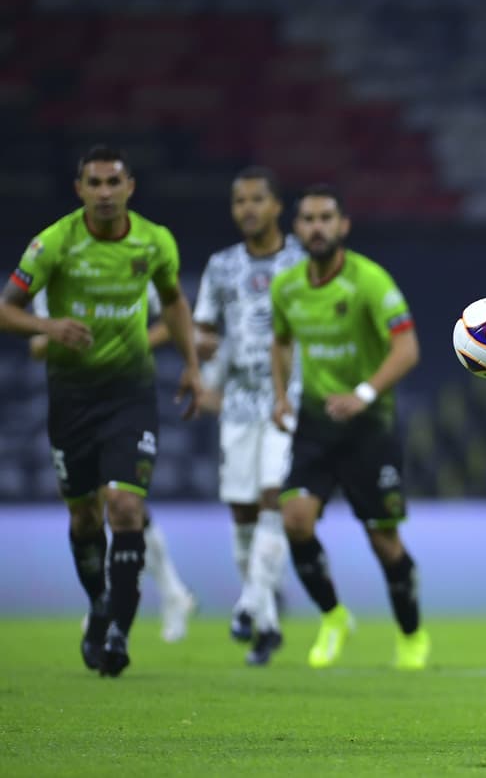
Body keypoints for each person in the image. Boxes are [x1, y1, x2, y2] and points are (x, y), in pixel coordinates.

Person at [0, 144, 203, 677]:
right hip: (71, 398)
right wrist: (48, 326)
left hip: (130, 394)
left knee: (125, 507)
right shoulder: (53, 244)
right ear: (80, 190)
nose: (106, 193)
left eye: (114, 182)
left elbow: (173, 302)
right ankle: (98, 604)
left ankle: (118, 631)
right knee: (85, 516)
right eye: (95, 183)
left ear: (130, 187)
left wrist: (191, 366)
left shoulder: (154, 241)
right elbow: (5, 311)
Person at [269, 184, 429, 670]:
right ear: (296, 228)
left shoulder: (370, 281)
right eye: (308, 219)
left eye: (326, 218)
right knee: (295, 520)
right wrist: (281, 395)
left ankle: (410, 634)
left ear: (343, 226)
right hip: (316, 424)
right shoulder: (286, 287)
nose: (317, 227)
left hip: (369, 427)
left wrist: (363, 395)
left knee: (384, 542)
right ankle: (334, 616)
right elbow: (281, 342)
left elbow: (407, 349)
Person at [30, 283, 198, 643]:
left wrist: (129, 345)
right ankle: (169, 592)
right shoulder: (56, 275)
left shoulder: (131, 265)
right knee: (95, 509)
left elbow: (173, 320)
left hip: (125, 400)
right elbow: (36, 346)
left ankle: (121, 606)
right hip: (76, 405)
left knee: (122, 500)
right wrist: (57, 336)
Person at [192, 166, 306, 666]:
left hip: (291, 397)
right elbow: (203, 329)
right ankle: (267, 622)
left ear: (277, 205)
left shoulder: (303, 262)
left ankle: (246, 604)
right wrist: (202, 367)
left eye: (257, 199)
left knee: (271, 498)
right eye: (240, 201)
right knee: (242, 512)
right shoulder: (221, 267)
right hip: (238, 402)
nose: (248, 209)